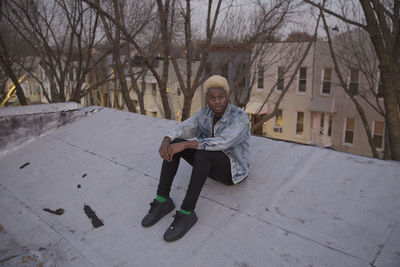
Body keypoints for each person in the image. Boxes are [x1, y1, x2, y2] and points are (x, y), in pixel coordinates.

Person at [141, 75, 250, 241]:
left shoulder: (239, 117)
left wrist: (186, 145)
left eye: (221, 97)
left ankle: (187, 212)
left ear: (227, 96)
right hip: (208, 165)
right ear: (206, 99)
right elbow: (185, 127)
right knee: (177, 143)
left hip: (231, 171)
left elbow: (223, 142)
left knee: (200, 150)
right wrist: (167, 140)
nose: (217, 101)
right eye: (212, 98)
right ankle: (162, 200)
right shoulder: (204, 113)